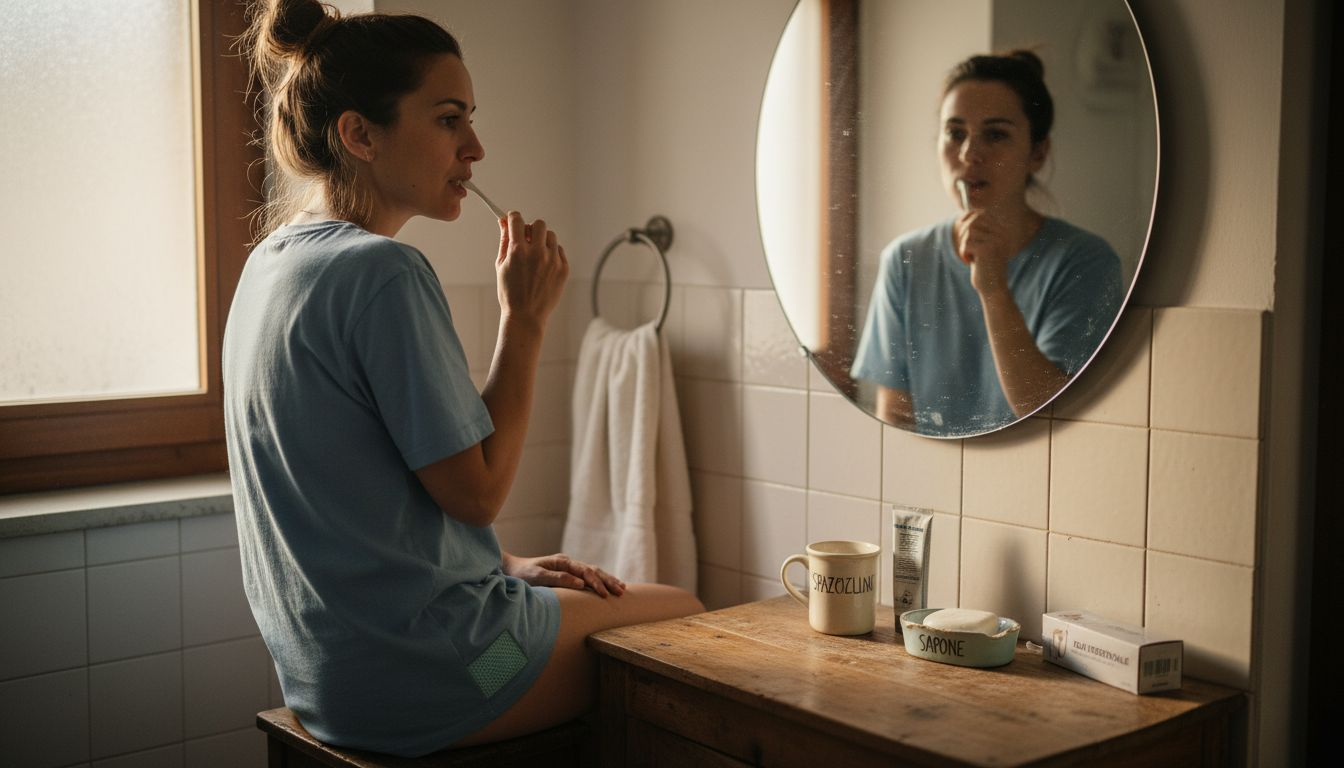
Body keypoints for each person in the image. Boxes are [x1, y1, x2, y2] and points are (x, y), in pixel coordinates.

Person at [224, 1, 703, 757]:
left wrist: (502, 564)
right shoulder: (381, 273)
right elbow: (477, 492)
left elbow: (355, 499)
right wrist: (527, 318)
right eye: (449, 120)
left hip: (332, 684)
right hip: (453, 676)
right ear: (359, 134)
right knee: (682, 616)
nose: (476, 148)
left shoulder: (270, 266)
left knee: (596, 607)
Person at [850, 50, 1122, 437]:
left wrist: (994, 290)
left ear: (1037, 153)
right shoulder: (906, 260)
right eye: (955, 133)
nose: (969, 154)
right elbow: (896, 420)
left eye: (995, 134)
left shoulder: (1086, 263)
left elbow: (1055, 419)